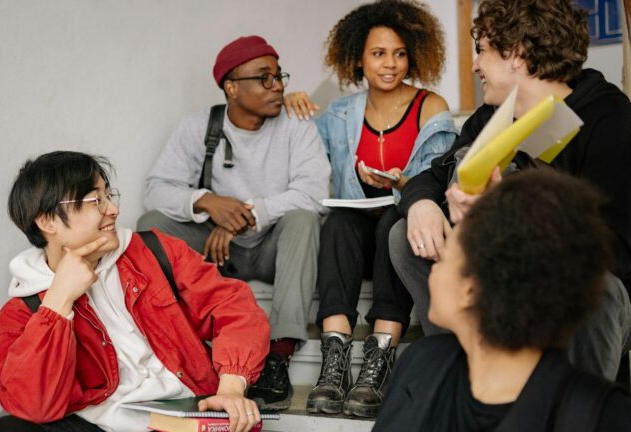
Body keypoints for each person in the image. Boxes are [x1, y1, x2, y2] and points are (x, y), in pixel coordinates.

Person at [390, 0, 631, 380]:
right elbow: (431, 175)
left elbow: (615, 251)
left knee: (597, 287)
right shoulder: (491, 116)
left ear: (516, 54)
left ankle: (573, 405)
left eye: (482, 50)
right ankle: (468, 377)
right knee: (404, 238)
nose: (474, 65)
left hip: (583, 285)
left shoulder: (607, 115)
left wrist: (506, 223)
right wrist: (421, 204)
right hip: (505, 282)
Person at [0, 151, 269, 432]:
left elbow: (233, 306)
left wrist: (231, 388)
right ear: (47, 221)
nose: (113, 209)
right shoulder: (20, 316)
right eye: (96, 199)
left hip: (183, 413)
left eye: (109, 195)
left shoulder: (154, 252)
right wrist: (59, 301)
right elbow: (35, 405)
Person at [137, 35, 330, 410]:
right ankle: (177, 341)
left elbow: (315, 192)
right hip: (218, 253)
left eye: (280, 76)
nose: (278, 87)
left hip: (276, 248)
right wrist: (206, 201)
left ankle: (278, 355)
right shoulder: (200, 126)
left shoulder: (296, 124)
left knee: (305, 219)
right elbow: (156, 190)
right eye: (265, 78)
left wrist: (247, 214)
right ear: (232, 87)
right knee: (152, 224)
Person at [284, 0, 456, 417]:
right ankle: (335, 360)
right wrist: (292, 106)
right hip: (356, 239)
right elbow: (305, 158)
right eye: (378, 53)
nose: (390, 64)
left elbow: (437, 181)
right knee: (340, 222)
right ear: (357, 59)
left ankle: (378, 358)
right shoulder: (340, 113)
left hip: (400, 238)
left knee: (392, 223)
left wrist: (401, 185)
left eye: (399, 53)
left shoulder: (430, 108)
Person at [375, 169, 631, 432]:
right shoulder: (420, 363)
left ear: (471, 290)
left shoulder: (599, 416)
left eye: (445, 257)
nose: (433, 268)